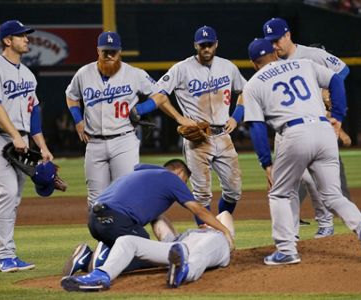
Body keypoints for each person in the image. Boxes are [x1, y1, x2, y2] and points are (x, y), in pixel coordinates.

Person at [242, 38, 361, 265]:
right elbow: (336, 79)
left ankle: (286, 250)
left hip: (294, 133)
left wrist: (266, 163)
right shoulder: (304, 64)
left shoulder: (253, 84)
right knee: (333, 195)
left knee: (279, 193)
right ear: (275, 53)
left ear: (252, 62)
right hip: (324, 130)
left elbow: (256, 127)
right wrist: (337, 116)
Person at [262, 17, 361, 239]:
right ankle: (318, 225)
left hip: (319, 123)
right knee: (306, 180)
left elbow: (342, 71)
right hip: (291, 127)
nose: (274, 46)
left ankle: (321, 226)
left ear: (288, 35)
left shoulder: (312, 56)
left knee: (311, 180)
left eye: (276, 40)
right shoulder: (273, 63)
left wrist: (328, 93)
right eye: (270, 42)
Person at [61, 159, 234, 279]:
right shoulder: (172, 179)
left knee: (133, 243)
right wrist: (224, 230)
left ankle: (94, 253)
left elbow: (154, 216)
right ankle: (93, 261)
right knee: (147, 252)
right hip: (116, 219)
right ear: (179, 172)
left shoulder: (147, 173)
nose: (183, 185)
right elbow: (198, 209)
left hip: (95, 219)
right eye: (185, 181)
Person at [66, 31, 180, 209]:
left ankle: (126, 237)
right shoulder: (84, 73)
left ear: (120, 52)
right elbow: (71, 96)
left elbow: (160, 95)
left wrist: (143, 108)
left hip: (124, 140)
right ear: (98, 51)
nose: (110, 55)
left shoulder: (134, 74)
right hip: (94, 142)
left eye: (114, 51)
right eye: (106, 51)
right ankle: (102, 238)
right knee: (95, 200)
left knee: (125, 194)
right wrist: (78, 120)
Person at [0, 20, 54, 272]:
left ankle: (9, 254)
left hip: (20, 140)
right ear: (8, 40)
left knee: (15, 197)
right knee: (8, 193)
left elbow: (34, 113)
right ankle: (3, 257)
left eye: (27, 36)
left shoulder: (28, 74)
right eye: (22, 36)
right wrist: (15, 135)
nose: (27, 39)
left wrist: (42, 146)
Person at [150, 25, 246, 222]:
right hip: (197, 139)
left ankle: (219, 222)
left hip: (223, 135)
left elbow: (246, 91)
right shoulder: (181, 69)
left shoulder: (228, 66)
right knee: (201, 195)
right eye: (202, 45)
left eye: (210, 44)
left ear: (216, 44)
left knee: (234, 191)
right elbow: (158, 95)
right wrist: (179, 117)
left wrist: (236, 116)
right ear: (196, 45)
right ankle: (206, 234)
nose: (206, 49)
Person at [61, 211, 235, 292]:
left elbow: (226, 215)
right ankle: (101, 276)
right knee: (127, 241)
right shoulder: (181, 238)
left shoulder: (218, 234)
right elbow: (157, 219)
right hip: (177, 248)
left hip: (216, 246)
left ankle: (184, 271)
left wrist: (215, 226)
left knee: (200, 253)